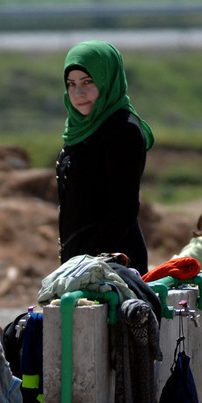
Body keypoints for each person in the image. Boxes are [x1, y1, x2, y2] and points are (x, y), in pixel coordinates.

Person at [56, 40, 154, 274]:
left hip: (112, 265)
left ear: (107, 80)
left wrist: (88, 263)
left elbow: (122, 211)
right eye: (71, 84)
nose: (78, 93)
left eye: (88, 82)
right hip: (81, 260)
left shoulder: (123, 130)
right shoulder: (81, 128)